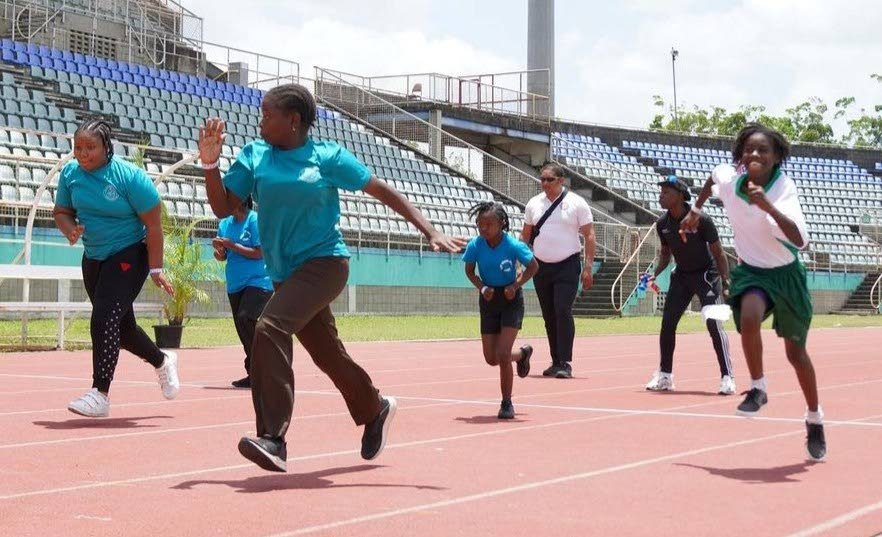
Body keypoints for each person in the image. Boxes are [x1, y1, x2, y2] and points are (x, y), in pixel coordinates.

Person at [198, 83, 467, 472]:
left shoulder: (326, 157)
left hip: (325, 264)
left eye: (267, 114)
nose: (260, 120)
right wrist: (210, 164)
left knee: (269, 327)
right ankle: (374, 409)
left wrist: (430, 230)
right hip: (285, 274)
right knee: (328, 355)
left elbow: (381, 190)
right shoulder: (255, 155)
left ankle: (273, 438)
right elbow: (224, 204)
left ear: (293, 121)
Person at [681, 124, 825, 461]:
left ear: (776, 158)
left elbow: (801, 241)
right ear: (740, 156)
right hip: (752, 272)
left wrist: (768, 208)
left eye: (763, 150)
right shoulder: (731, 180)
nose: (755, 155)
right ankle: (758, 388)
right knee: (747, 317)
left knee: (795, 354)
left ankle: (815, 418)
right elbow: (712, 178)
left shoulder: (784, 189)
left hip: (787, 275)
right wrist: (695, 211)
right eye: (749, 150)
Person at [52, 119, 180, 418]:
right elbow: (61, 211)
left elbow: (153, 224)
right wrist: (69, 229)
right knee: (122, 329)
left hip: (129, 253)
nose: (83, 154)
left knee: (103, 317)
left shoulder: (129, 177)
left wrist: (156, 268)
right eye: (78, 148)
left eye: (90, 148)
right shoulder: (71, 174)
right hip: (94, 257)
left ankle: (100, 393)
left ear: (106, 147)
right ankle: (162, 361)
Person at [644, 175, 735, 395]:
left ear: (680, 195)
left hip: (706, 275)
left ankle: (727, 377)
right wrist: (654, 275)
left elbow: (718, 252)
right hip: (682, 276)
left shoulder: (701, 219)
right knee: (667, 325)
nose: (661, 196)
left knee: (714, 324)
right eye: (661, 191)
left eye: (666, 192)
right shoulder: (662, 224)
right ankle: (665, 376)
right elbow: (666, 255)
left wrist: (725, 280)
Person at [463, 201, 539, 419]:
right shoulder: (475, 245)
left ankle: (506, 403)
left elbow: (533, 266)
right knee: (491, 358)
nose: (484, 228)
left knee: (503, 353)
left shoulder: (513, 245)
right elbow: (469, 270)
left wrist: (515, 285)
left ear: (501, 224)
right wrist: (483, 287)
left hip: (510, 300)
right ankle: (523, 354)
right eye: (480, 224)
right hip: (488, 300)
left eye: (489, 224)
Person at [519, 163, 595, 379]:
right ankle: (555, 361)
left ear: (561, 181)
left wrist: (588, 268)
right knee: (549, 315)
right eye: (542, 179)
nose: (544, 183)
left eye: (549, 179)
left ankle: (565, 362)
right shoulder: (534, 204)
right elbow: (525, 236)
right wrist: (518, 262)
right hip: (540, 266)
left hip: (567, 264)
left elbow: (589, 235)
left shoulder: (576, 203)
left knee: (562, 310)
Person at [213, 196, 273, 388]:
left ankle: (266, 368)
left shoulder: (254, 220)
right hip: (235, 284)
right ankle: (255, 372)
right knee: (242, 328)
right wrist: (221, 253)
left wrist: (232, 245)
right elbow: (224, 256)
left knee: (245, 318)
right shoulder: (224, 224)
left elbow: (259, 253)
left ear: (239, 200)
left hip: (259, 281)